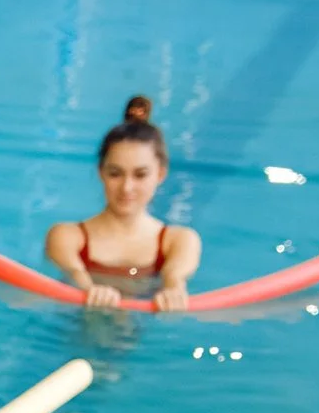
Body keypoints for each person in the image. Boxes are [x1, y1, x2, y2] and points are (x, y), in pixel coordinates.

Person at [43, 96, 203, 312]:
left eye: (140, 175)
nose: (127, 188)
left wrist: (174, 291)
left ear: (160, 175)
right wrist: (90, 289)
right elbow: (74, 274)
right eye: (115, 174)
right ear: (101, 173)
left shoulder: (179, 241)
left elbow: (175, 278)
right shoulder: (66, 236)